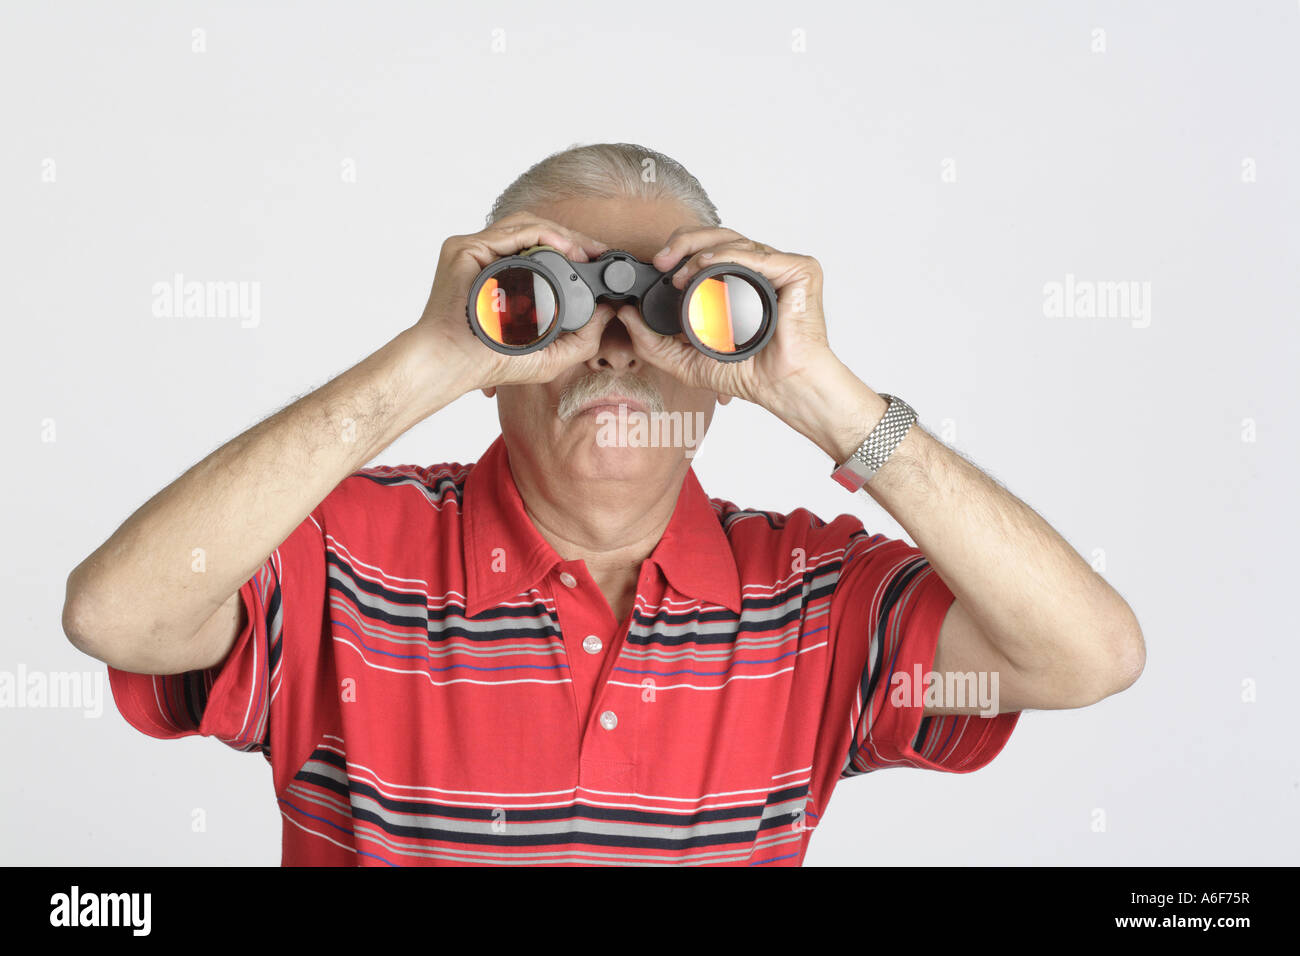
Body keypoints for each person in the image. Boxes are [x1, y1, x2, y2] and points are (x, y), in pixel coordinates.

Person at [62, 142, 1145, 866]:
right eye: (545, 305)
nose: (615, 342)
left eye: (678, 306)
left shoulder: (810, 600)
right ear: (491, 342)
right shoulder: (344, 555)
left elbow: (1084, 655)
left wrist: (826, 395)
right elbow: (121, 615)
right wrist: (428, 358)